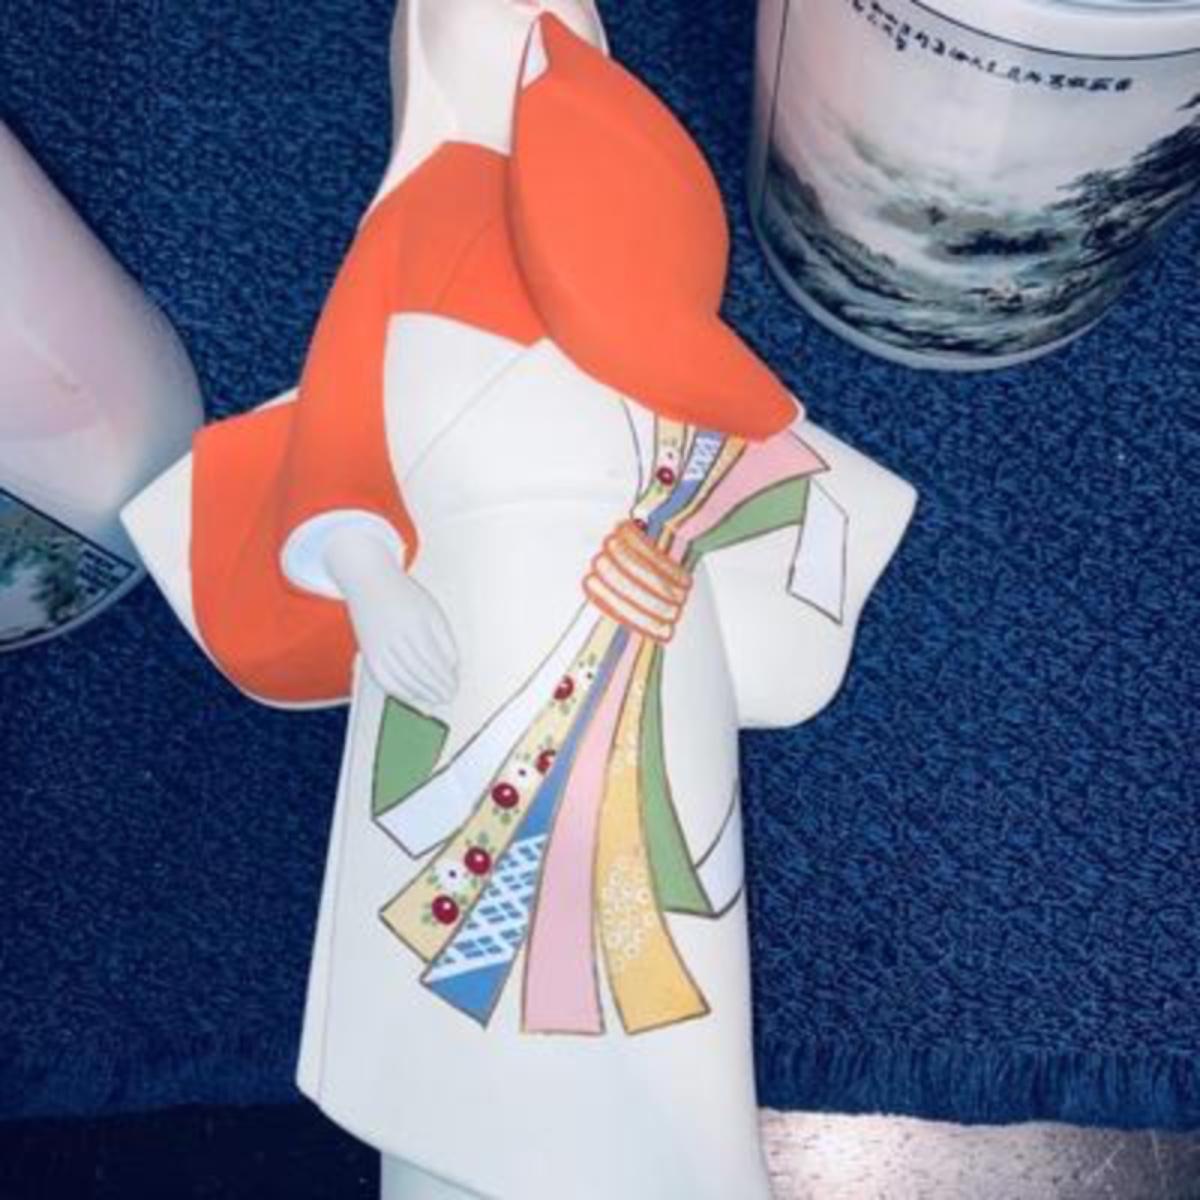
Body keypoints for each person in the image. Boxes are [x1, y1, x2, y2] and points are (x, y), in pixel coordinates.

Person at [122, 4, 916, 1196]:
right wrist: (367, 571)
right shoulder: (414, 227)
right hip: (466, 593)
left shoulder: (631, 188)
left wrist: (693, 529)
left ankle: (679, 1160)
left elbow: (701, 410)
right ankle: (450, 1149)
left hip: (642, 619)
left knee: (656, 963)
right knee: (439, 960)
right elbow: (342, 419)